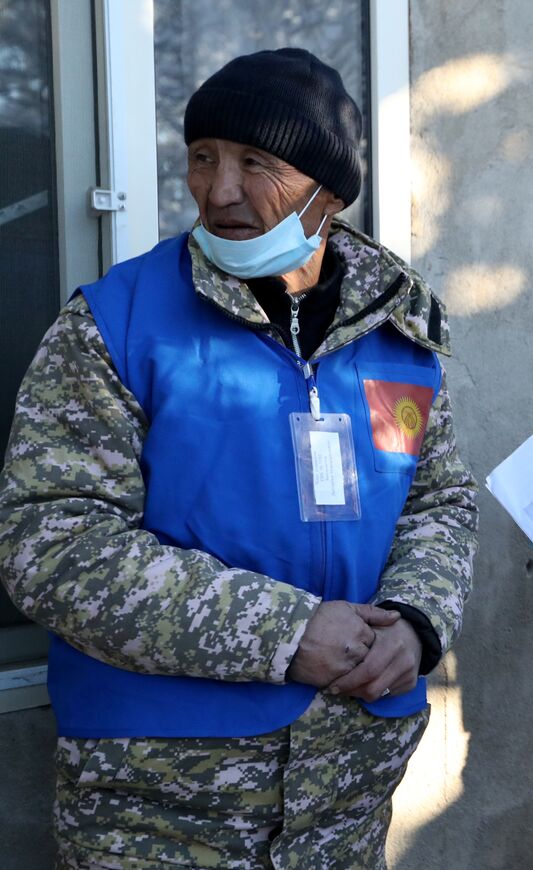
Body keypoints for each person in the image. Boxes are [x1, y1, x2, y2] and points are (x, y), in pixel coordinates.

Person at [0, 48, 478, 868]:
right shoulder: (117, 325)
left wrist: (417, 621)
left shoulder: (397, 334)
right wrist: (287, 630)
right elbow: (52, 540)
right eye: (202, 157)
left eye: (256, 163)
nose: (218, 190)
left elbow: (437, 503)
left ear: (329, 192)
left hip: (345, 795)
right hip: (159, 802)